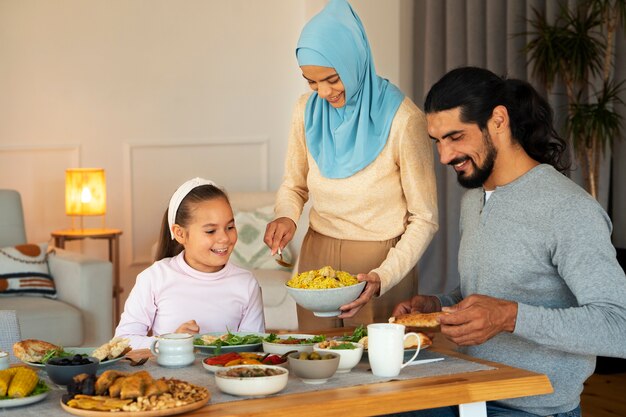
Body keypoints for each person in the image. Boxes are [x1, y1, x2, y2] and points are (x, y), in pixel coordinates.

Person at [390, 67, 626, 417]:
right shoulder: (475, 199)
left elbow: (617, 327)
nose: (444, 156)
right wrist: (438, 305)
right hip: (469, 393)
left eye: (455, 137)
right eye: (437, 141)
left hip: (531, 408)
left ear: (498, 120)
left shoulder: (569, 210)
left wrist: (510, 318)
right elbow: (490, 290)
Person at [264, 0, 438, 330]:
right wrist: (285, 214)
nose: (323, 92)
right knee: (316, 365)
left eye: (331, 78)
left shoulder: (404, 120)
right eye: (311, 82)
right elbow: (294, 184)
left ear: (353, 61)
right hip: (317, 256)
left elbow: (425, 218)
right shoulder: (306, 110)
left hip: (379, 263)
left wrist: (382, 276)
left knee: (373, 373)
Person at [115, 178, 265, 349]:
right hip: (168, 376)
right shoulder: (154, 278)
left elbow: (253, 347)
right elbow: (123, 341)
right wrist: (170, 342)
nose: (224, 238)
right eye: (210, 231)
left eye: (230, 227)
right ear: (180, 234)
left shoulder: (246, 283)